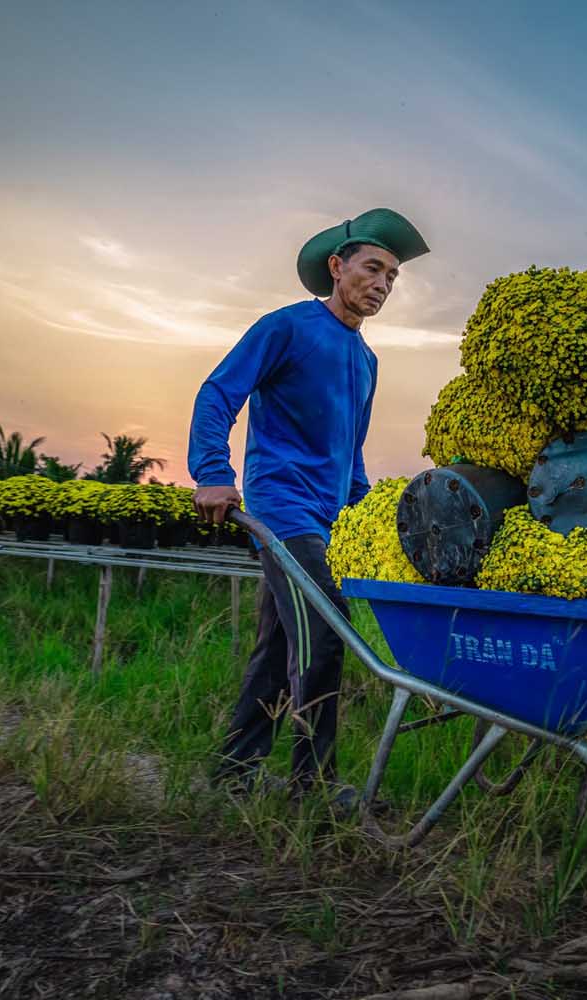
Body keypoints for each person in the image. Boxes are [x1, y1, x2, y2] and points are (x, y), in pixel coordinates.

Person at [187, 208, 429, 804]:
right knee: (324, 633)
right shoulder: (287, 328)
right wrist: (213, 473)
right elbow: (219, 392)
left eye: (392, 277)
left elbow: (352, 455)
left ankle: (234, 772)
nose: (382, 284)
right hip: (282, 507)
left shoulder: (366, 362)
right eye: (373, 268)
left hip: (328, 522)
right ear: (337, 267)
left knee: (281, 646)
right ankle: (312, 786)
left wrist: (369, 515)